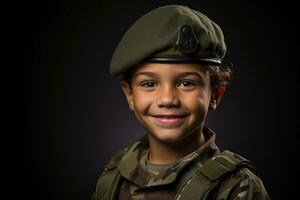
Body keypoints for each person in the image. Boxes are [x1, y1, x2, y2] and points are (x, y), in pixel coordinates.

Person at [91, 4, 270, 200]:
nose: (167, 99)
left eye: (186, 83)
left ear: (215, 94)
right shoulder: (113, 178)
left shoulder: (236, 186)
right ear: (129, 95)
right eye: (149, 83)